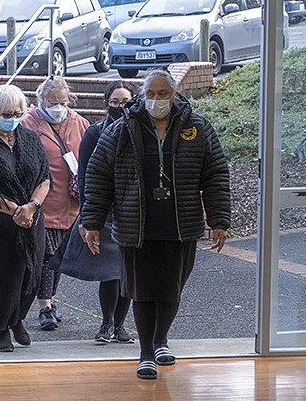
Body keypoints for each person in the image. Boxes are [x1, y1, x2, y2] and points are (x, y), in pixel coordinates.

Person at [80, 69, 231, 379]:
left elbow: (215, 175)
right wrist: (91, 220)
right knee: (142, 291)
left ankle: (161, 340)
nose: (156, 99)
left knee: (171, 289)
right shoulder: (122, 128)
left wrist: (219, 219)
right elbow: (98, 175)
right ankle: (146, 353)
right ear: (142, 95)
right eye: (150, 94)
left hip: (180, 224)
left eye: (163, 94)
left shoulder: (198, 127)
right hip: (136, 225)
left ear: (173, 95)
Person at [52, 81, 135, 343]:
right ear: (106, 103)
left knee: (126, 271)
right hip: (104, 209)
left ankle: (120, 326)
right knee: (110, 272)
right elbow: (85, 176)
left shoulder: (139, 131)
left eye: (125, 102)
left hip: (131, 210)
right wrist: (89, 216)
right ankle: (107, 324)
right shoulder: (95, 133)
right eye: (115, 102)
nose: (120, 107)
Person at [0, 84, 51, 352]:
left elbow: (44, 177)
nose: (13, 118)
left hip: (31, 219)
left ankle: (17, 319)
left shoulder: (31, 139)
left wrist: (31, 207)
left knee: (31, 273)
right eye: (7, 114)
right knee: (0, 278)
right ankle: (1, 329)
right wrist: (15, 211)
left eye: (18, 113)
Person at [22, 76, 91, 331]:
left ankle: (50, 301)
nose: (58, 107)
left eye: (63, 102)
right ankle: (45, 307)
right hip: (42, 201)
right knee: (46, 256)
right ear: (41, 99)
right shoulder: (29, 122)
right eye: (52, 102)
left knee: (59, 256)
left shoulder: (79, 122)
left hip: (70, 203)